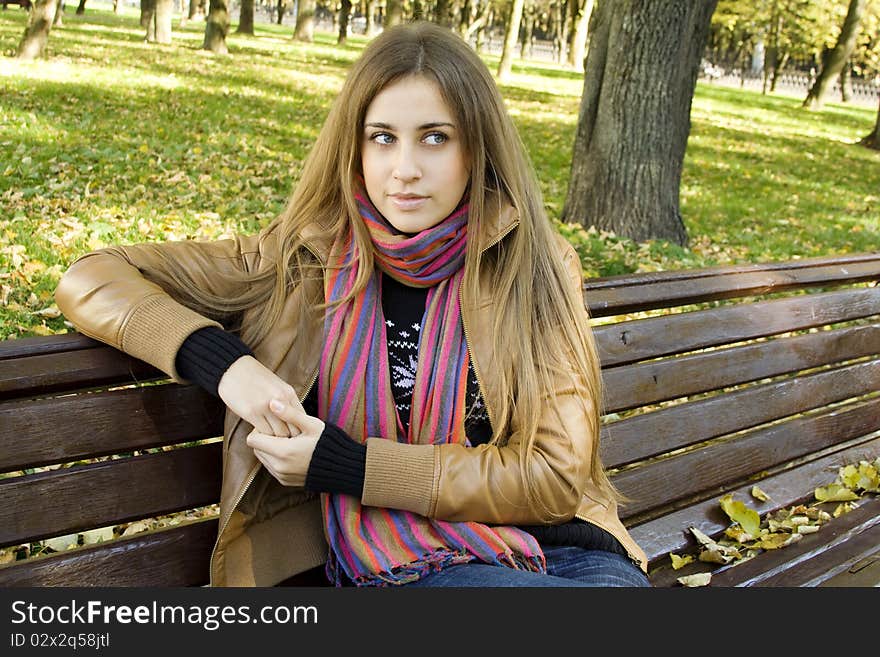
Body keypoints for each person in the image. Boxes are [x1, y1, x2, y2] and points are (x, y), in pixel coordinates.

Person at [55, 21, 650, 588]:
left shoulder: (536, 263)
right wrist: (230, 369)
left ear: (477, 149)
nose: (405, 170)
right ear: (356, 147)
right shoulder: (298, 257)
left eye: (436, 138)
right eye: (383, 138)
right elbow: (94, 276)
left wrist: (351, 466)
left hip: (568, 551)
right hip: (407, 562)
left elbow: (552, 476)